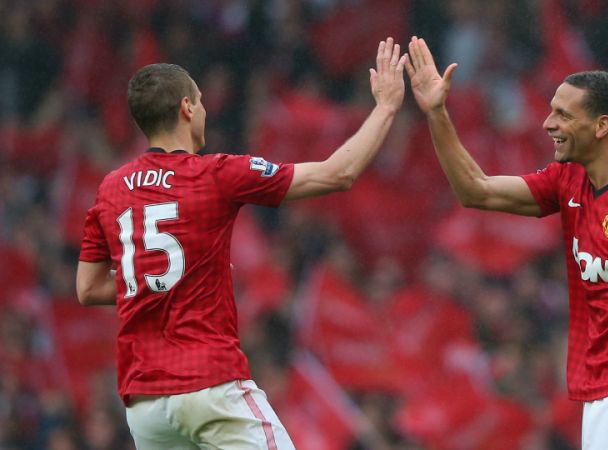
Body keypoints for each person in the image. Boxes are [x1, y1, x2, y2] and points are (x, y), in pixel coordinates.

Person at [75, 38, 407, 449]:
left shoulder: (110, 189)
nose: (208, 111)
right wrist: (387, 106)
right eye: (202, 101)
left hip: (145, 406)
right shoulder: (217, 173)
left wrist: (164, 279)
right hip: (209, 389)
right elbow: (336, 174)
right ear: (187, 108)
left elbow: (88, 288)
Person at [404, 36, 608, 450]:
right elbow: (477, 191)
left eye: (562, 114)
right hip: (600, 383)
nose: (548, 124)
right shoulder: (568, 179)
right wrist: (437, 114)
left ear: (601, 126)